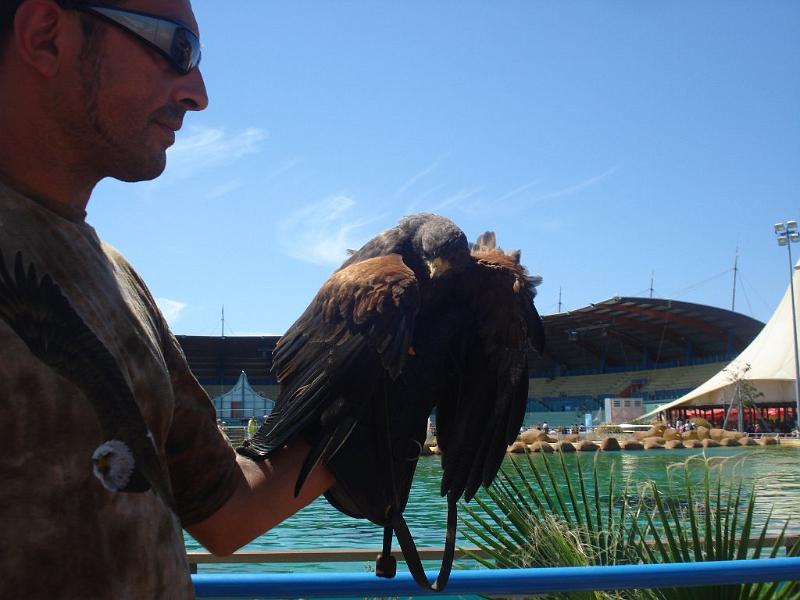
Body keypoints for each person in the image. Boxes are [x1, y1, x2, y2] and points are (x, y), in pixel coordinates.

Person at [0, 1, 334, 598]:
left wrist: (381, 408)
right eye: (181, 51)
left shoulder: (118, 276)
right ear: (47, 37)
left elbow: (223, 513)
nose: (199, 93)